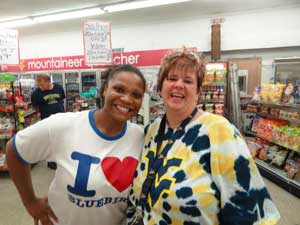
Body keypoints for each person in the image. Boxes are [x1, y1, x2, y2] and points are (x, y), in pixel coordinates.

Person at [127, 48, 280, 225]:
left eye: (188, 80)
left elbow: (251, 211)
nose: (178, 85)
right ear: (160, 87)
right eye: (171, 78)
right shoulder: (152, 131)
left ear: (198, 91)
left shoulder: (219, 131)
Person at [6, 64, 146, 225]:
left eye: (136, 95)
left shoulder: (140, 137)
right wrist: (30, 202)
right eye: (119, 89)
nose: (127, 99)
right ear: (104, 90)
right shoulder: (64, 125)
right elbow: (14, 150)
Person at [31, 74, 66, 169]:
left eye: (42, 85)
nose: (40, 87)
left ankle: (62, 160)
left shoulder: (58, 88)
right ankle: (51, 161)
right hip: (47, 121)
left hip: (61, 119)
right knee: (50, 141)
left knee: (61, 139)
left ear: (48, 82)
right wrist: (39, 112)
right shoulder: (36, 93)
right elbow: (34, 105)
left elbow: (62, 99)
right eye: (39, 85)